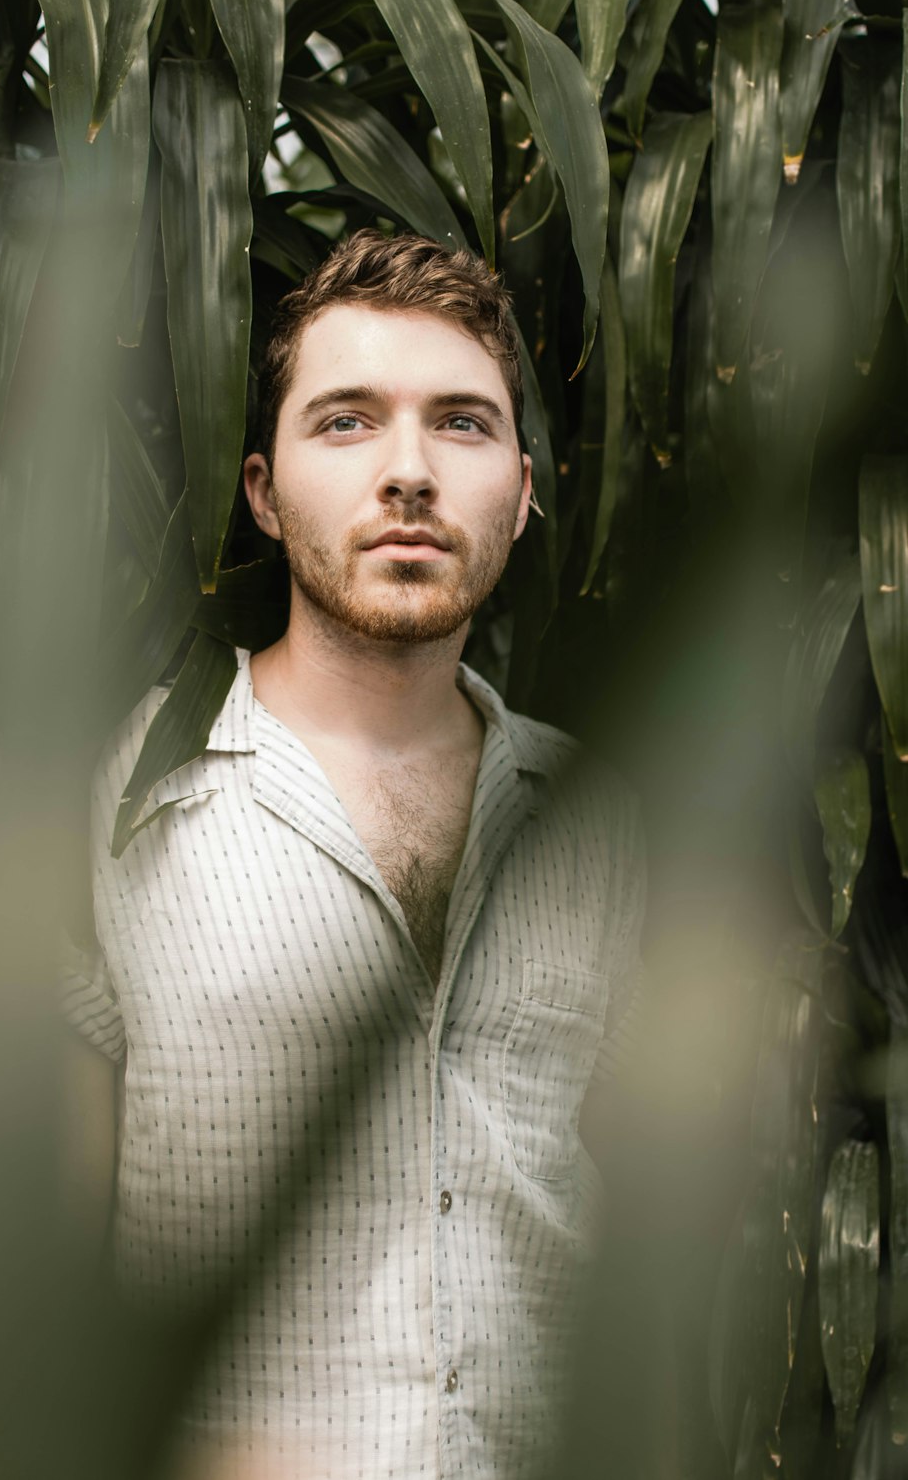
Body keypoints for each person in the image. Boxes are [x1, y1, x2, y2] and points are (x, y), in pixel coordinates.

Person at [60, 229, 646, 1479]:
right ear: (264, 493)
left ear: (526, 490)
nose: (410, 473)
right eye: (347, 422)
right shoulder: (119, 803)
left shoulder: (598, 824)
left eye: (462, 424)